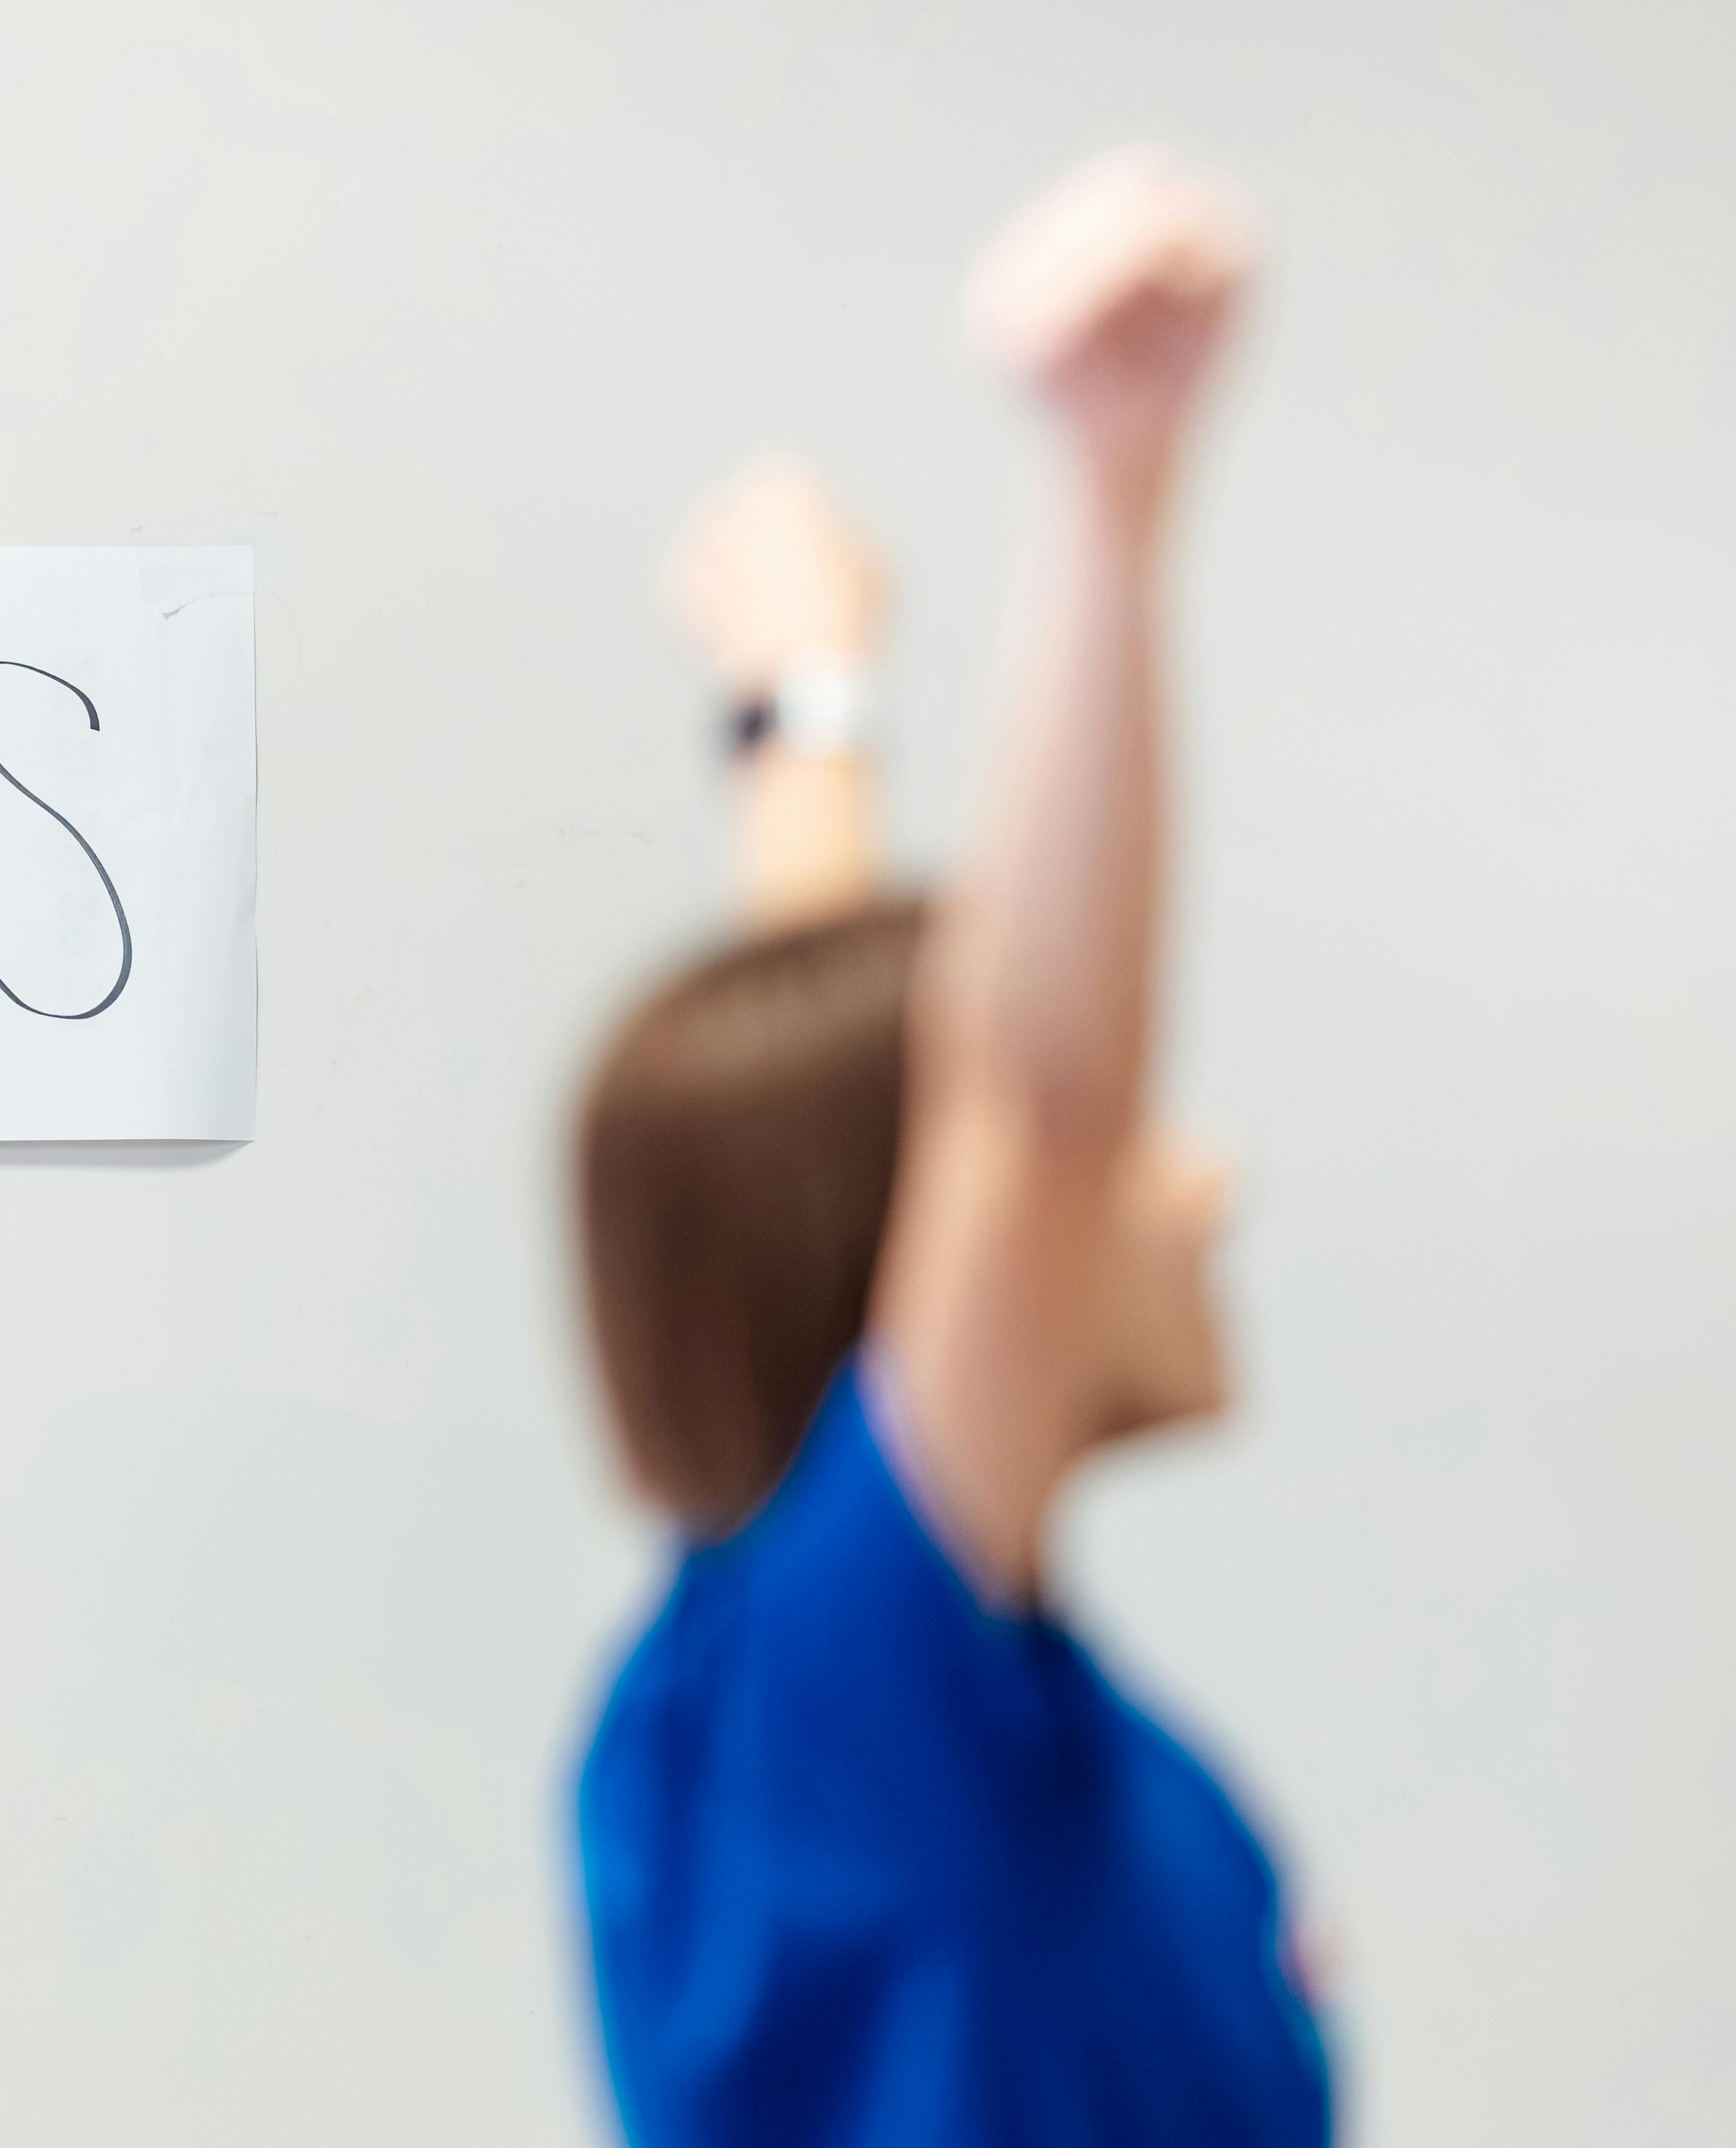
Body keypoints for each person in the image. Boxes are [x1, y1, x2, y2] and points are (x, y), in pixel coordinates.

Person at [569, 150, 1332, 2145]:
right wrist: (1111, 488)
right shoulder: (836, 1693)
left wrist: (800, 699)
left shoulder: (833, 1682)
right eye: (1137, 1138)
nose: (1206, 1185)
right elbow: (1016, 1107)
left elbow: (840, 1111)